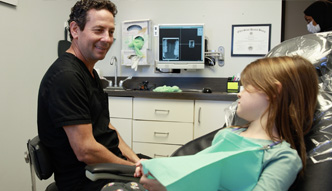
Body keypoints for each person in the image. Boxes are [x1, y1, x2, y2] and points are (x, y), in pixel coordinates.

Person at [131, 56, 319, 191]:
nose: (239, 92)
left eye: (248, 86)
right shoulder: (227, 135)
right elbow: (193, 170)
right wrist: (158, 168)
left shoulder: (282, 157)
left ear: (273, 92)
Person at [37, 1, 143, 190]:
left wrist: (136, 161)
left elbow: (106, 127)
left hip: (106, 167)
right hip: (86, 179)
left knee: (166, 172)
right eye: (99, 30)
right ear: (75, 30)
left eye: (110, 32)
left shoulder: (90, 73)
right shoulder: (66, 77)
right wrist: (134, 170)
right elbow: (86, 151)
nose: (107, 39)